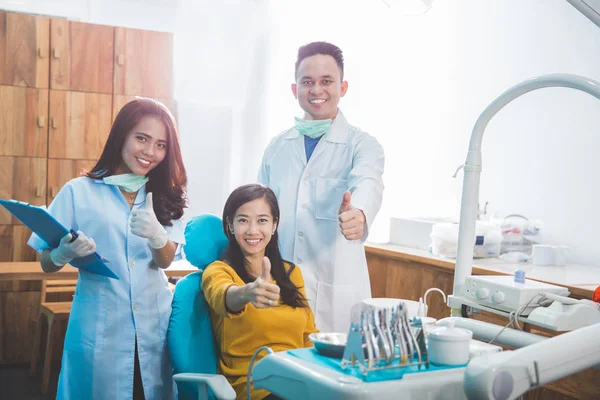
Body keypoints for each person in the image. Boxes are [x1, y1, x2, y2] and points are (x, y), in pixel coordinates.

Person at [28, 98, 188, 400]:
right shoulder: (78, 192)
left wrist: (156, 235)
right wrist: (62, 253)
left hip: (153, 325)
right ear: (121, 136)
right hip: (100, 324)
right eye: (141, 138)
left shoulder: (165, 195)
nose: (149, 152)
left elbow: (166, 260)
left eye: (160, 145)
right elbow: (45, 262)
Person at [258, 41, 385, 333]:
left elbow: (369, 181)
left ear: (343, 87)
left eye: (327, 81)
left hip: (334, 296)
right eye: (307, 82)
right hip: (281, 287)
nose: (317, 90)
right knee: (284, 370)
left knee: (334, 372)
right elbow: (258, 208)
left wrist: (360, 213)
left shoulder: (362, 145)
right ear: (295, 90)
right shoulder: (277, 147)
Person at [202, 184, 318, 400]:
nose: (253, 230)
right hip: (256, 387)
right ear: (230, 225)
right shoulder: (218, 271)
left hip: (301, 380)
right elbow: (223, 296)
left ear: (274, 225)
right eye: (243, 220)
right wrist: (247, 293)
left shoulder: (291, 273)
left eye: (262, 220)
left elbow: (309, 335)